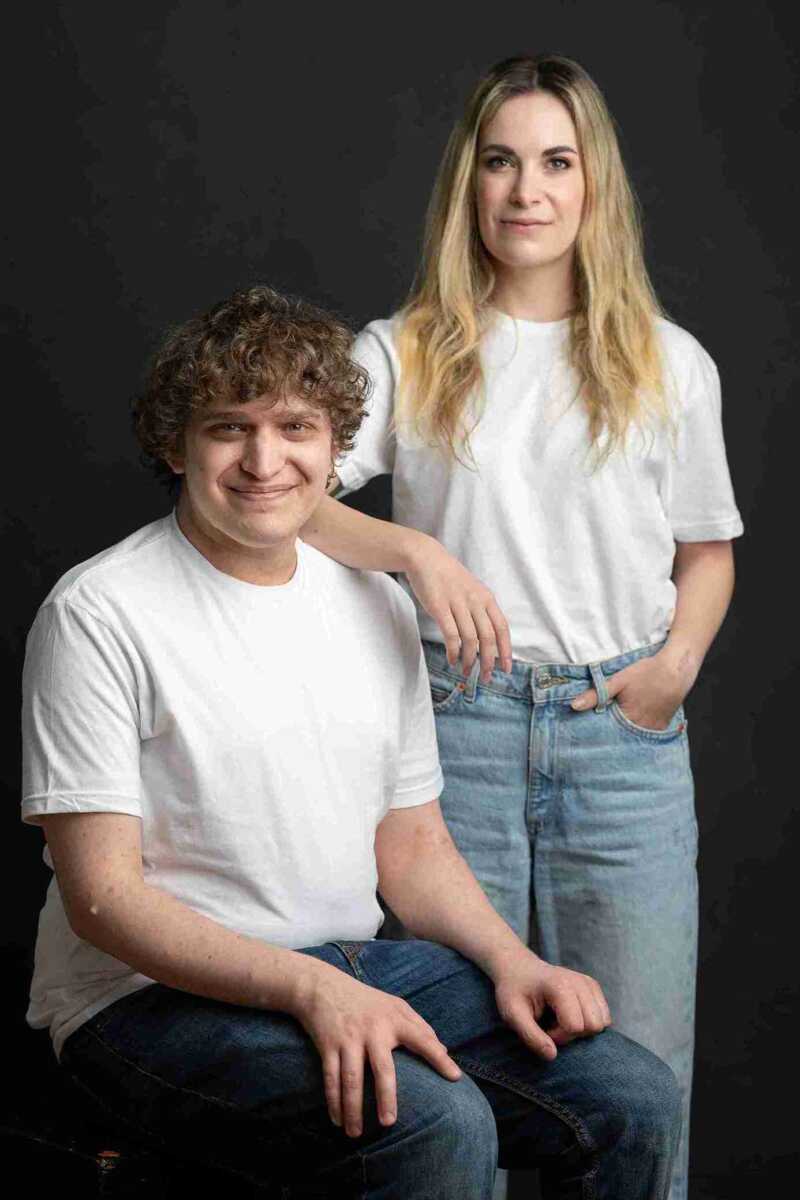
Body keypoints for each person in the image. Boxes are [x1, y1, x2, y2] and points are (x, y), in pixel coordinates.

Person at [21, 285, 681, 1199]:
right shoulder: (98, 613)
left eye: (295, 427)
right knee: (434, 1124)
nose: (264, 460)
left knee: (630, 1096)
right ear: (176, 446)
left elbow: (410, 847)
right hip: (141, 1004)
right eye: (228, 429)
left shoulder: (371, 602)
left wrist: (512, 960)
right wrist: (305, 989)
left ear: (335, 448)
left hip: (354, 964)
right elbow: (102, 901)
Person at [298, 55, 743, 1200]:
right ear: (467, 182)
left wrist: (672, 667)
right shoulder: (399, 351)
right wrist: (414, 550)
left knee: (635, 1072)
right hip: (453, 734)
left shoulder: (665, 361)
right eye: (499, 161)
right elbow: (290, 496)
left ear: (593, 186)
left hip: (620, 736)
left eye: (555, 162)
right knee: (459, 1073)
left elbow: (705, 551)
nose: (525, 190)